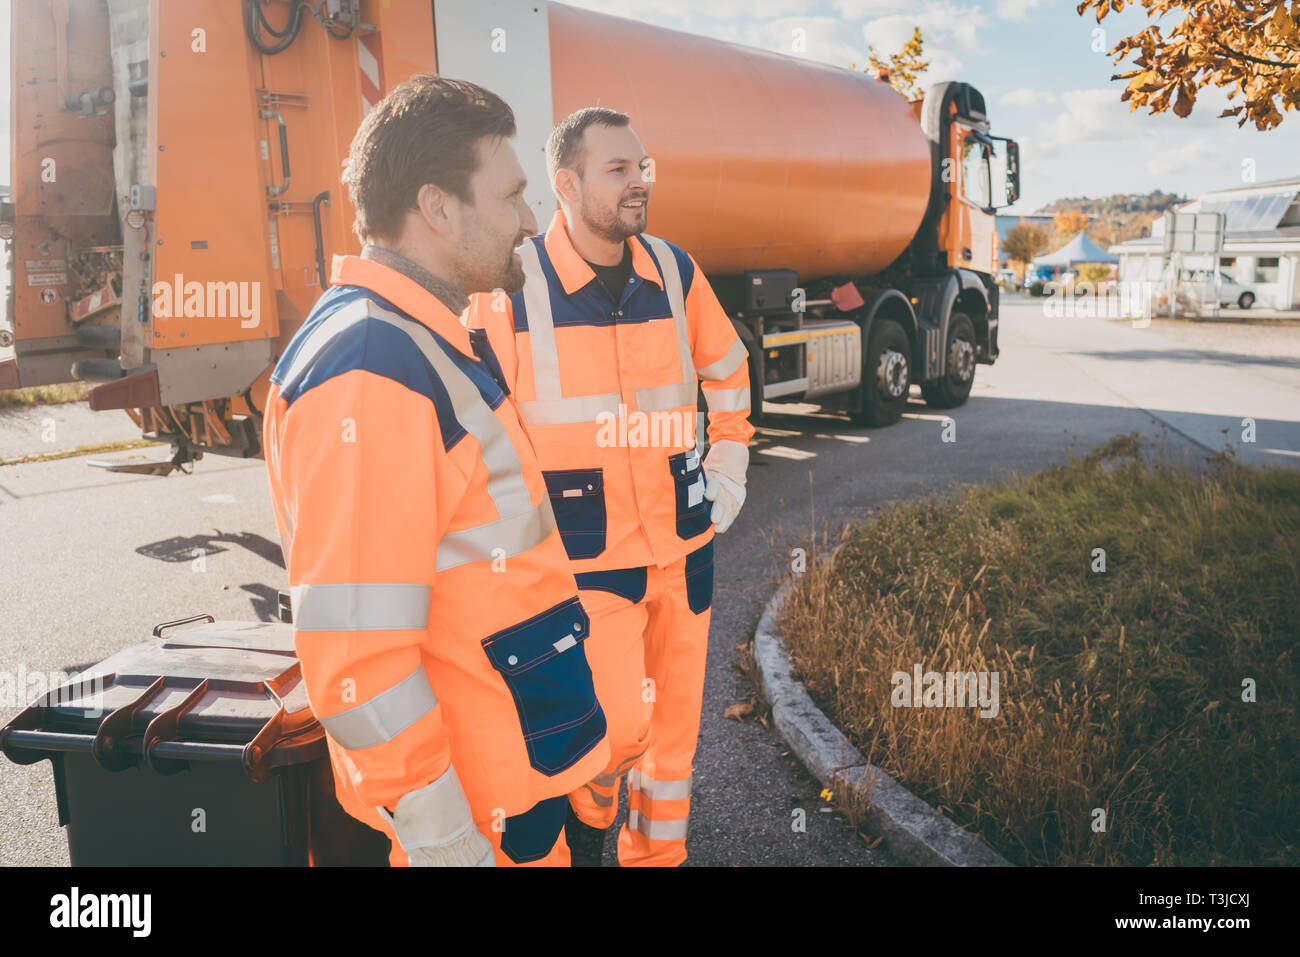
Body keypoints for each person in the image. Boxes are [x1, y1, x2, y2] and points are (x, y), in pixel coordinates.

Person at [263, 76, 609, 867]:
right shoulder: (370, 364)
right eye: (514, 195)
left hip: (515, 784)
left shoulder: (412, 340)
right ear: (438, 207)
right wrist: (444, 836)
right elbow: (357, 651)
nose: (532, 221)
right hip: (480, 819)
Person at [465, 107, 754, 866]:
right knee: (618, 729)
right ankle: (594, 820)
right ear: (567, 184)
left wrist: (728, 468)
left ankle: (655, 858)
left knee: (674, 740)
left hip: (684, 548)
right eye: (619, 169)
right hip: (587, 562)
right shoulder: (513, 286)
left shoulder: (673, 269)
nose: (639, 181)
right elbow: (482, 425)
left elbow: (726, 370)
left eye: (642, 166)